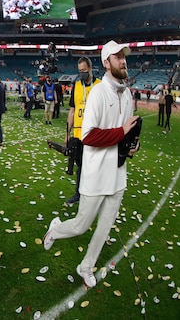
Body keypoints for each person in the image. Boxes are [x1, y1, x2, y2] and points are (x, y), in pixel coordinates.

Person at [43, 40, 140, 289]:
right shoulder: (99, 92)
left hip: (118, 174)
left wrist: (131, 145)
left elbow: (126, 131)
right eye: (117, 57)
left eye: (124, 56)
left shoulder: (127, 93)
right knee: (81, 225)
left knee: (105, 227)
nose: (123, 60)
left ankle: (86, 266)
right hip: (96, 174)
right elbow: (88, 136)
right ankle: (55, 230)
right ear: (106, 64)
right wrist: (120, 132)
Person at [64, 57, 101, 204]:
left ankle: (94, 194)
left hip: (94, 133)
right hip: (78, 133)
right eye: (80, 71)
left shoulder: (99, 86)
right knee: (79, 164)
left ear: (90, 69)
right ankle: (79, 193)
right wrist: (68, 132)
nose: (82, 74)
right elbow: (72, 110)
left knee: (93, 165)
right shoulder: (77, 86)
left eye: (84, 71)